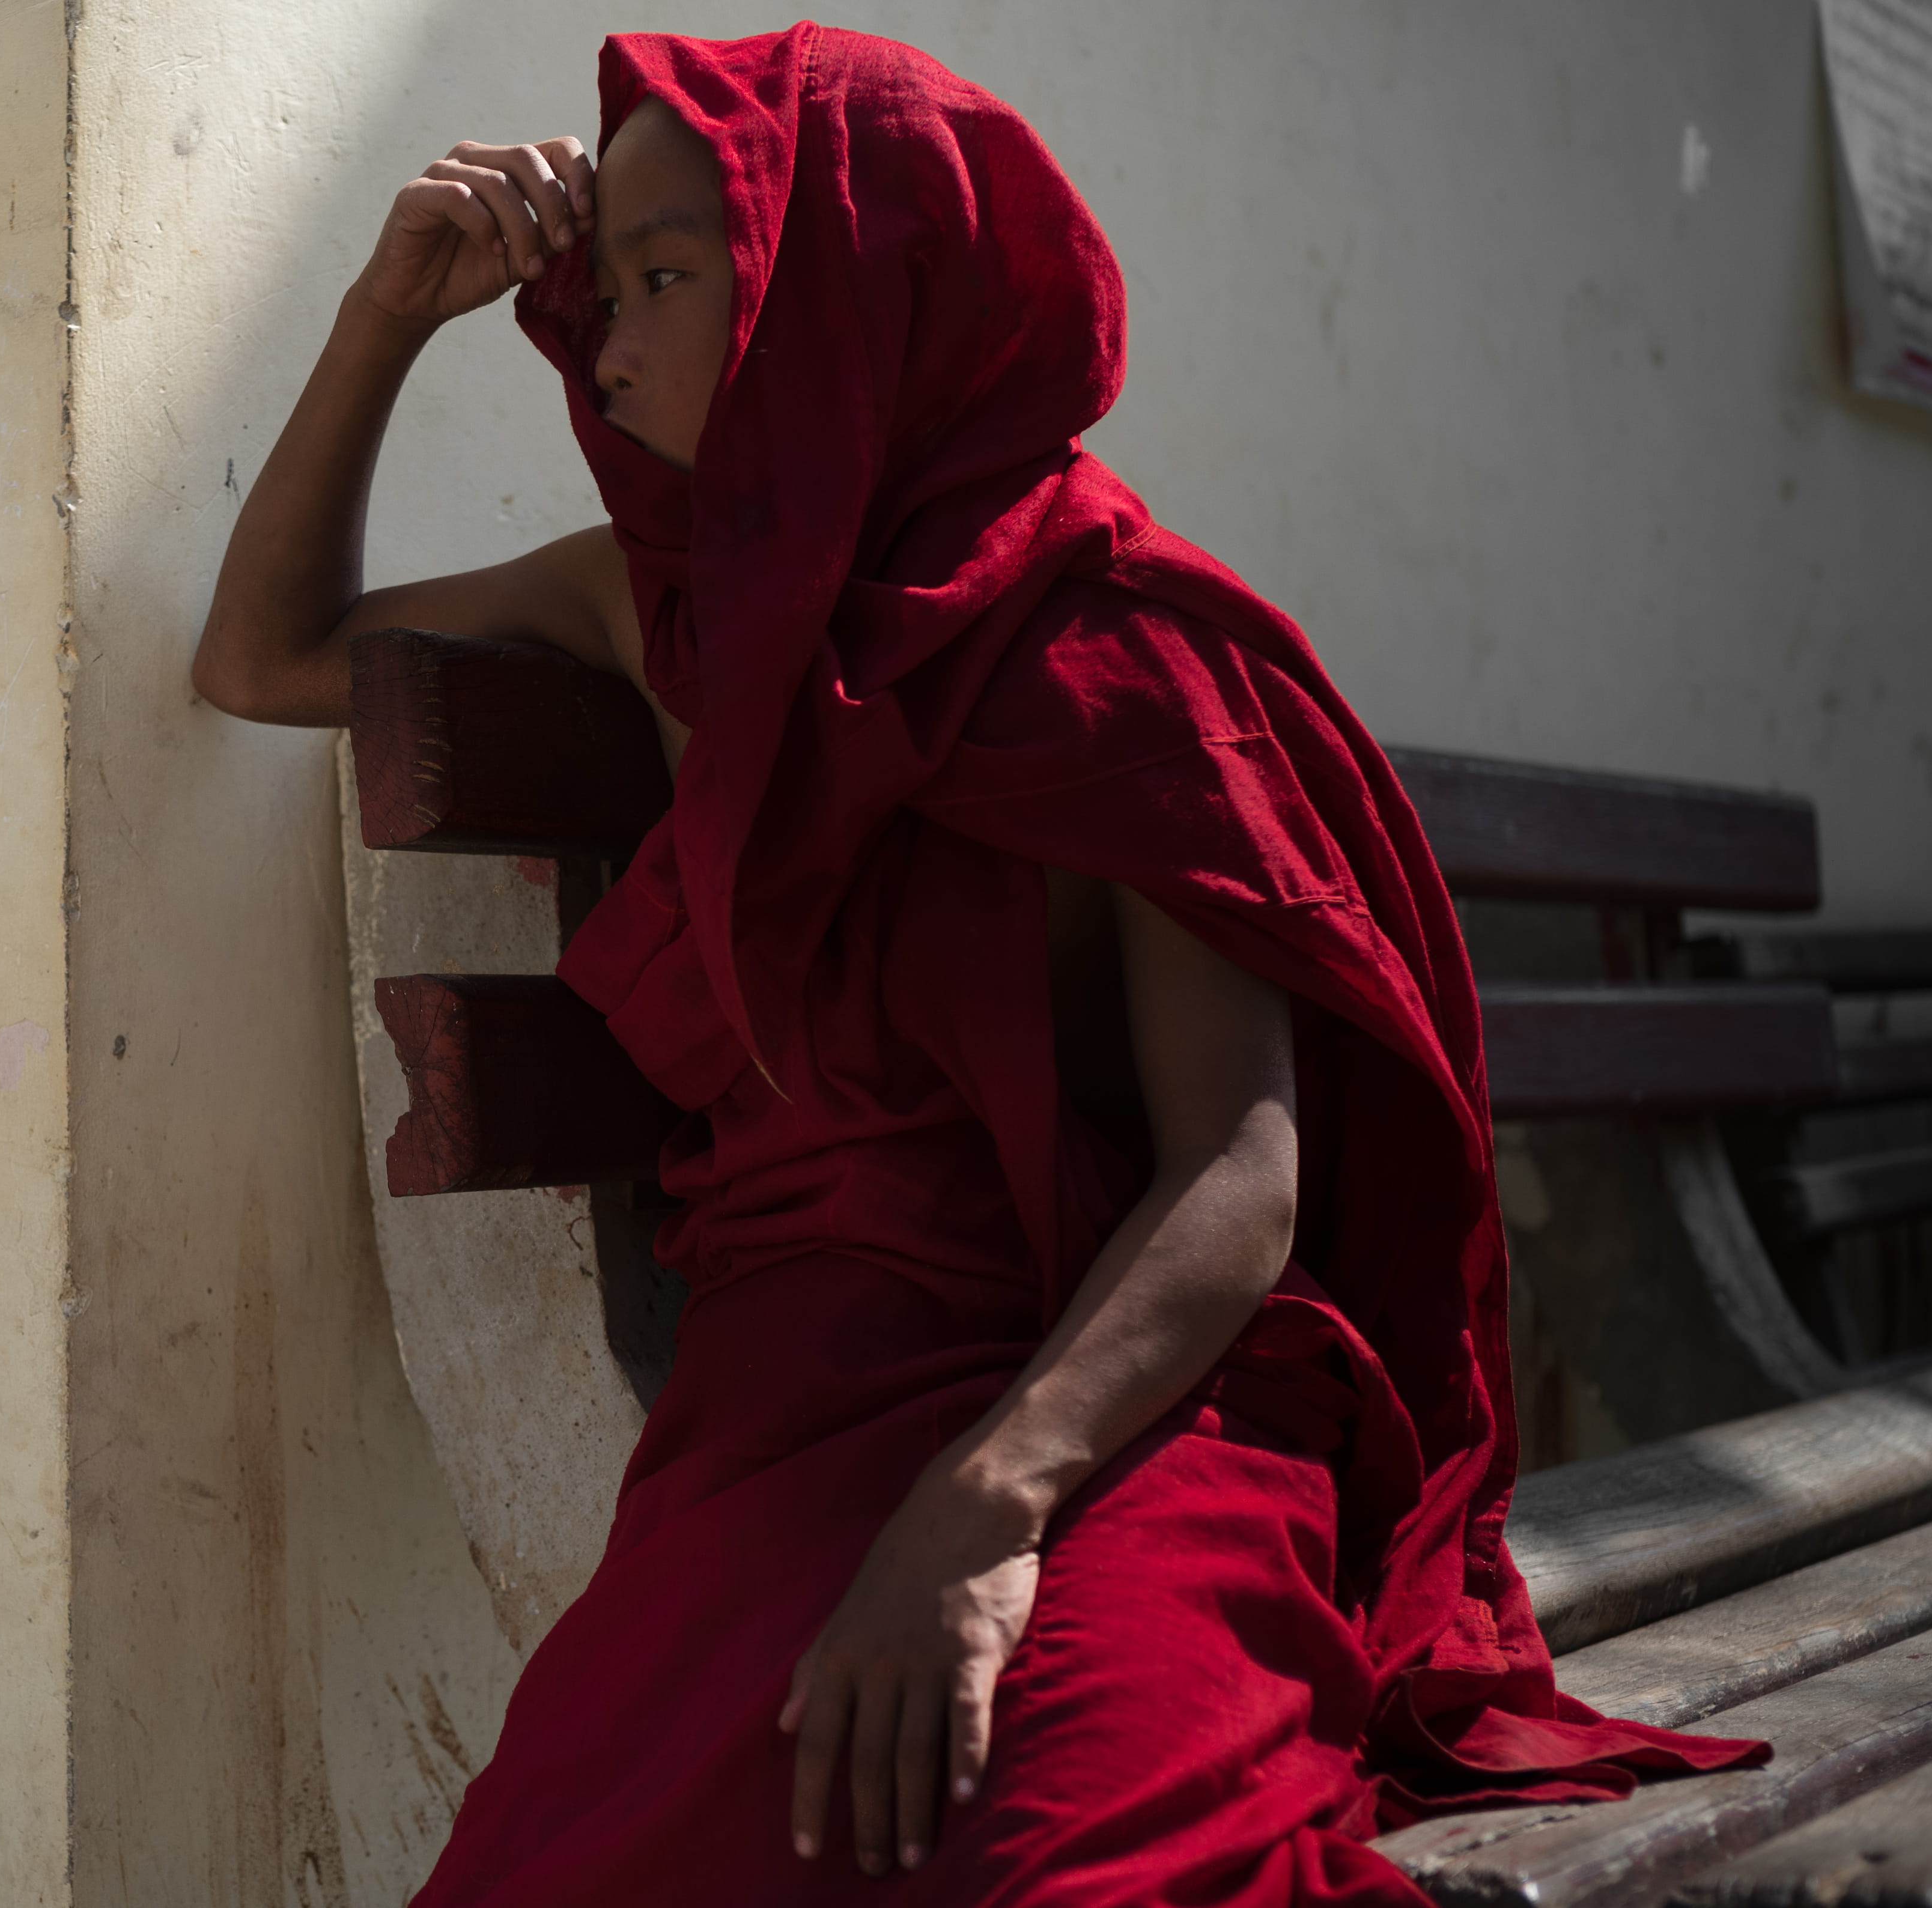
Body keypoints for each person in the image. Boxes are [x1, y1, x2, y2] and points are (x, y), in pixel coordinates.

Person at [188, 25, 1762, 1906]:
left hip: (1122, 1403)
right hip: (793, 1399)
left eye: (669, 274)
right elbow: (261, 660)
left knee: (1090, 1855)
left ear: (852, 279)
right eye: (603, 285)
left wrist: (986, 1508)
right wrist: (386, 311)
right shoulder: (646, 596)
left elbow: (1236, 1172)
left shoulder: (1117, 640)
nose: (604, 338)